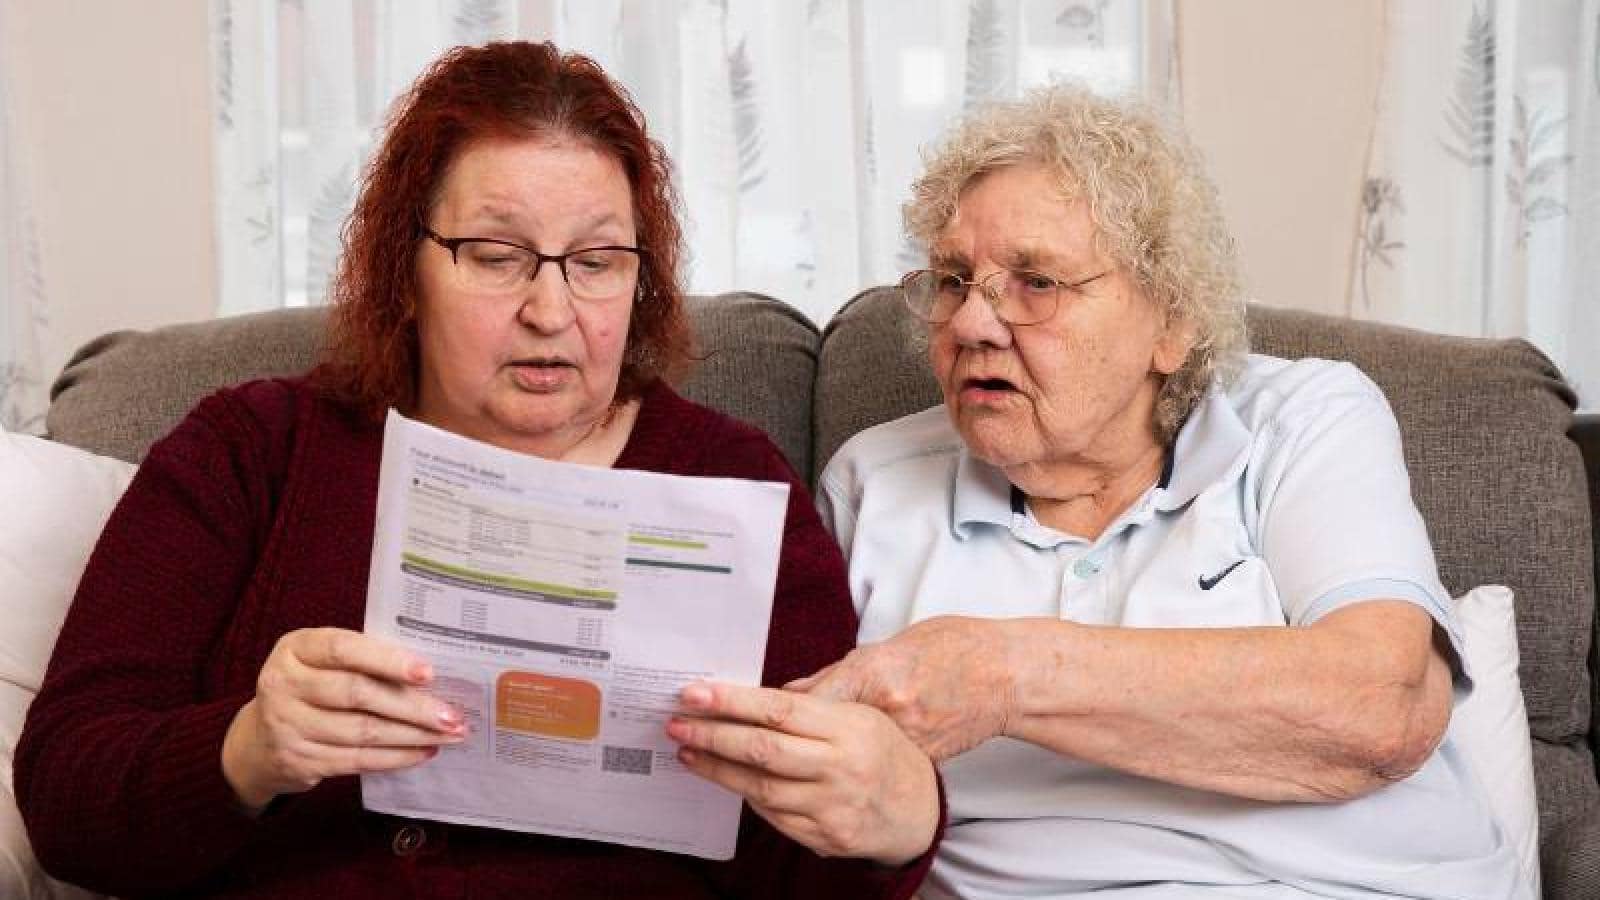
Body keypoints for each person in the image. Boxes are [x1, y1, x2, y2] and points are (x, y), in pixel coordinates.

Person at [14, 41, 937, 899]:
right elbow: (63, 799)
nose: (551, 309)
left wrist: (897, 816)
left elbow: (813, 872)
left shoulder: (732, 482)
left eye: (598, 261)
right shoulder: (249, 451)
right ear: (402, 270)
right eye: (496, 256)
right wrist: (245, 751)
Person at [776, 84, 1523, 898]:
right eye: (955, 279)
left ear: (1172, 322)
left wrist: (998, 674)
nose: (970, 325)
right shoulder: (871, 483)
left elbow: (1382, 707)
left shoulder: (1303, 422)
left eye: (1036, 283)